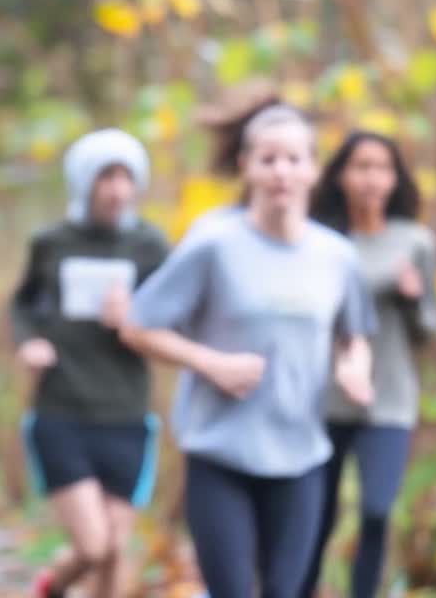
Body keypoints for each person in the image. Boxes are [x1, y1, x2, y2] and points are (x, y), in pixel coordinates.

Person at [104, 102, 377, 598]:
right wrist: (211, 363)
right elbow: (138, 326)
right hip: (219, 452)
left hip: (302, 456)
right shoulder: (214, 244)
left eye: (295, 160)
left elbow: (353, 335)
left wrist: (354, 369)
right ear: (246, 166)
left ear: (314, 170)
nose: (281, 172)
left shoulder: (336, 256)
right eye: (268, 159)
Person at [11, 129, 169, 598]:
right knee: (94, 545)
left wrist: (135, 318)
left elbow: (174, 319)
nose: (118, 189)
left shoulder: (150, 247)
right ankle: (50, 587)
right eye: (107, 177)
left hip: (127, 413)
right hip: (63, 410)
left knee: (116, 548)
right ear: (84, 182)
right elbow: (23, 304)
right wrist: (30, 342)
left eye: (127, 178)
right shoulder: (51, 242)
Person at [303, 132, 436, 598]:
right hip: (323, 397)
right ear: (340, 175)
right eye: (360, 167)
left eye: (382, 168)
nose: (371, 179)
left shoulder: (415, 242)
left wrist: (412, 299)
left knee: (378, 509)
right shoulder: (317, 239)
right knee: (316, 515)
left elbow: (426, 332)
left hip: (390, 398)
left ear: (396, 178)